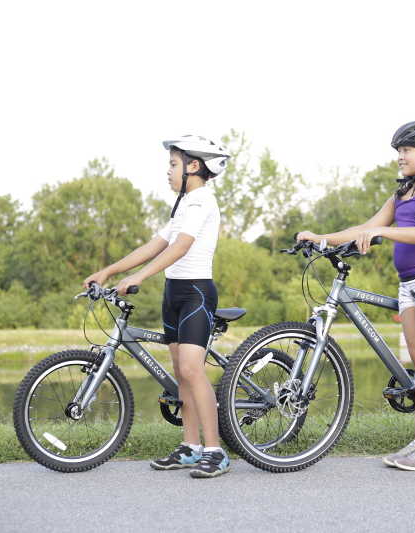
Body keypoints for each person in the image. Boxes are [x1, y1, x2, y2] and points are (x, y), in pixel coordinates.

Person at [296, 121, 415, 471]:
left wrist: (382, 231)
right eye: (398, 151)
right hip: (409, 283)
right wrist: (320, 237)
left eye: (406, 151)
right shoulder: (400, 195)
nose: (400, 157)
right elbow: (362, 228)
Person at [83, 135, 232, 478]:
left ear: (194, 166)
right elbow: (157, 244)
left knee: (194, 371)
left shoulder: (203, 201)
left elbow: (180, 247)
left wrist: (141, 277)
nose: (168, 171)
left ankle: (216, 451)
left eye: (173, 164)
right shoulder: (183, 205)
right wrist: (110, 270)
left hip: (196, 293)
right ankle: (190, 447)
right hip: (173, 294)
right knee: (181, 374)